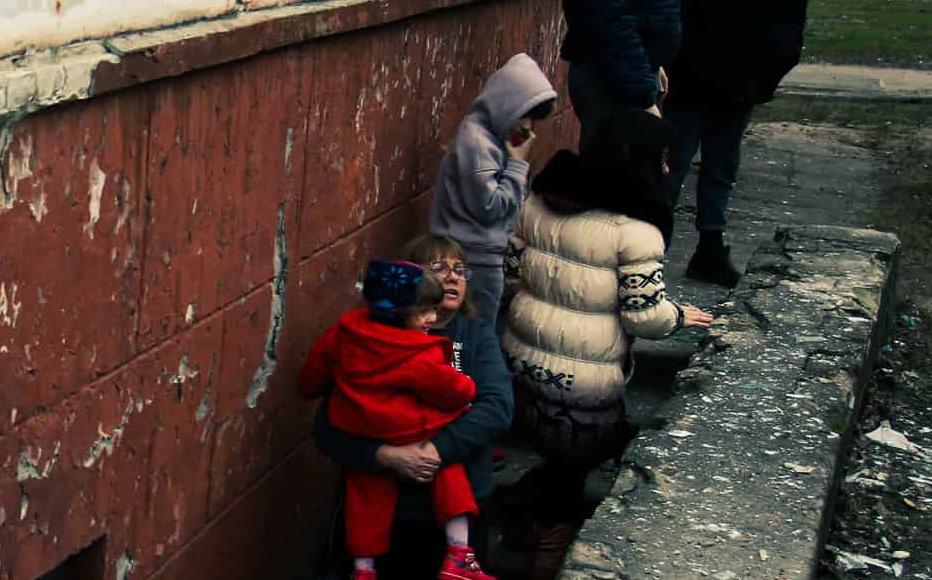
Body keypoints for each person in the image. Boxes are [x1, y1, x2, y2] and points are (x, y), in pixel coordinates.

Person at [502, 110, 714, 577]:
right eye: (660, 159)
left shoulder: (536, 201)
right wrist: (679, 316)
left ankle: (521, 513)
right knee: (578, 465)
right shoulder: (635, 233)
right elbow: (644, 316)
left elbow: (510, 273)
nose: (665, 169)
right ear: (635, 162)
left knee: (565, 450)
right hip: (584, 379)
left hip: (520, 356)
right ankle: (547, 543)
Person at [313, 235, 514, 580]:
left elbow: (496, 408)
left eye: (460, 270)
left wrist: (436, 451)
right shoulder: (367, 341)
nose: (452, 277)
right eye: (438, 268)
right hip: (384, 517)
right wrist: (385, 455)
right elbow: (327, 428)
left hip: (458, 512)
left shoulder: (475, 335)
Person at [664, 0, 808, 287]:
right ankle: (700, 249)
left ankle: (682, 250)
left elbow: (789, 35)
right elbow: (789, 34)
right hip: (719, 80)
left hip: (705, 80)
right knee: (702, 168)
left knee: (681, 168)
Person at [430, 53, 557, 330]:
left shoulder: (491, 139)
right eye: (523, 114)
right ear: (505, 104)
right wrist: (518, 164)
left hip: (478, 253)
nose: (527, 127)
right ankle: (466, 374)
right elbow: (490, 207)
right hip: (473, 257)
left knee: (476, 334)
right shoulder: (477, 144)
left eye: (532, 118)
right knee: (472, 337)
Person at [561, 0, 681, 151]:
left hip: (634, 70)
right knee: (618, 166)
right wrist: (641, 97)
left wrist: (655, 59)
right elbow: (612, 21)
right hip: (615, 76)